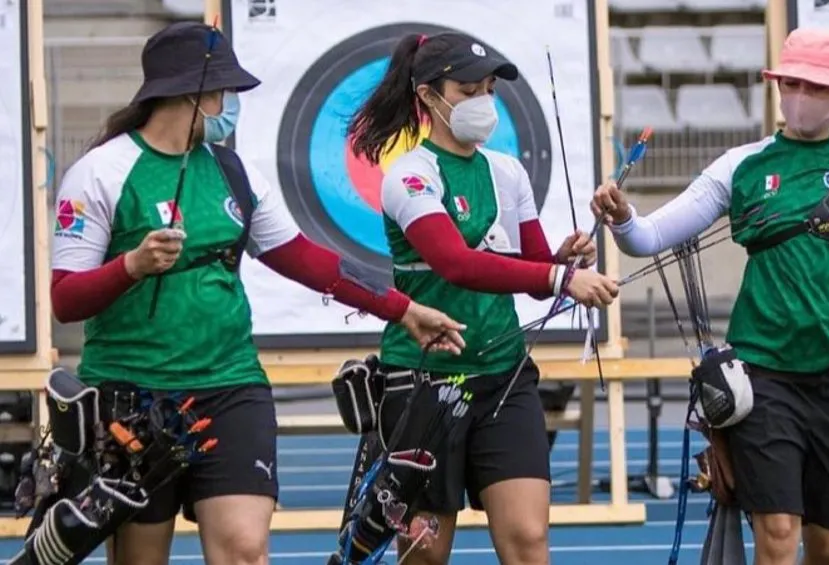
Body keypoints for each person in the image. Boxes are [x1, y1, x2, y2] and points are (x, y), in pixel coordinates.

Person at [49, 22, 466, 565]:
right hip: (134, 396)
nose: (229, 105)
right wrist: (130, 265)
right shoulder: (100, 172)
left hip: (230, 388)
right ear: (190, 94)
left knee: (246, 550)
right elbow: (65, 300)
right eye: (222, 92)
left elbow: (306, 261)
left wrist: (403, 308)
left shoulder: (232, 171)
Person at [592, 28, 829, 565]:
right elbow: (650, 237)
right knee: (778, 537)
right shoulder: (742, 165)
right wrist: (622, 217)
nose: (800, 95)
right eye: (792, 82)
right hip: (762, 379)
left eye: (815, 86)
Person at [345, 31, 620, 565]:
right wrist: (559, 281)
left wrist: (565, 261)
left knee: (529, 541)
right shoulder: (410, 175)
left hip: (504, 377)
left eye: (489, 88)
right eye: (468, 89)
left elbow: (532, 265)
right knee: (424, 552)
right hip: (426, 382)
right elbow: (455, 263)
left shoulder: (506, 170)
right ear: (427, 95)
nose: (483, 101)